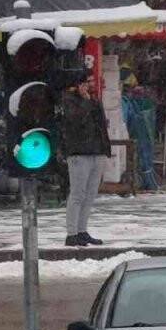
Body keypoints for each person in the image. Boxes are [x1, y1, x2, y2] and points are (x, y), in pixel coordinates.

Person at [60, 77, 112, 247]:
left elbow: (101, 124)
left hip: (96, 151)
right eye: (86, 82)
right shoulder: (69, 101)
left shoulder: (93, 100)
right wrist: (85, 102)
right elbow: (75, 121)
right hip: (79, 152)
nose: (89, 85)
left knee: (90, 194)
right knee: (77, 193)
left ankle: (82, 230)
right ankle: (72, 232)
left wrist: (105, 149)